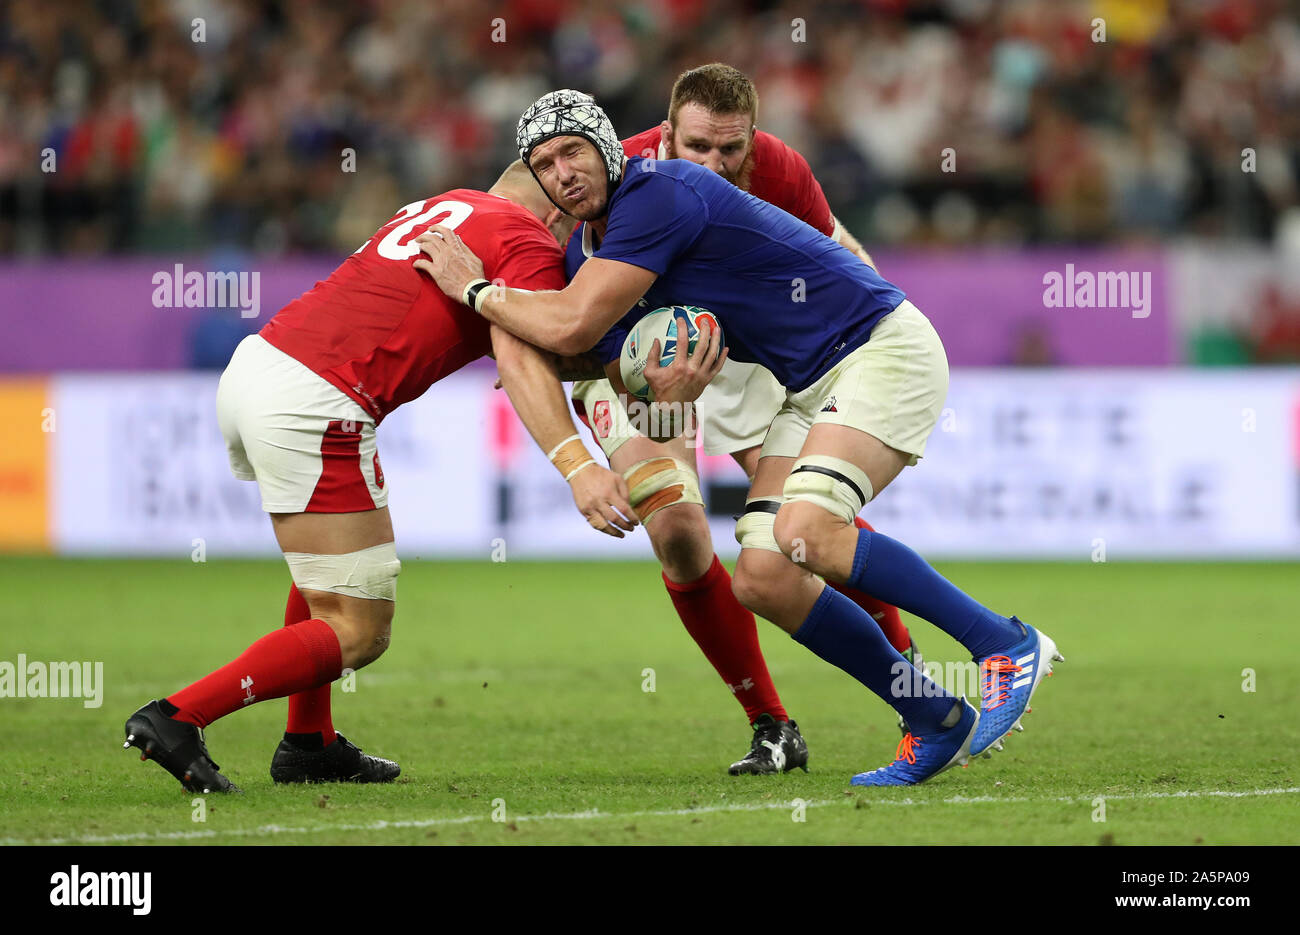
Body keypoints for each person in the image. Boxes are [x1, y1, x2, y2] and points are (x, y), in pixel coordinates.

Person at [413, 90, 1064, 785]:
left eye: (573, 151)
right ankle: (934, 717)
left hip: (876, 348)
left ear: (611, 145)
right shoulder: (587, 254)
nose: (563, 172)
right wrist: (643, 382)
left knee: (808, 526)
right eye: (545, 163)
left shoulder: (661, 192)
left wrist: (477, 291)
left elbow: (570, 324)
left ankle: (1004, 643)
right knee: (765, 575)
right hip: (806, 383)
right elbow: (591, 353)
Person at [123, 161, 638, 793]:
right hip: (318, 401)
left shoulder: (450, 204)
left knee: (323, 580)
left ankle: (309, 742)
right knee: (359, 629)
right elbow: (539, 340)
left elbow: (516, 336)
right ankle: (177, 717)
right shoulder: (528, 237)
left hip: (260, 364)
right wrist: (597, 429)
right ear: (557, 212)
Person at [567, 64, 919, 775]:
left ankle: (912, 680)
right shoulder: (615, 170)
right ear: (665, 136)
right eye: (698, 148)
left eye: (732, 150)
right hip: (628, 351)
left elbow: (828, 274)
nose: (717, 165)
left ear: (752, 139)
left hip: (735, 346)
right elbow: (563, 268)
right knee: (675, 527)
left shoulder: (782, 169)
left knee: (805, 523)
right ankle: (772, 726)